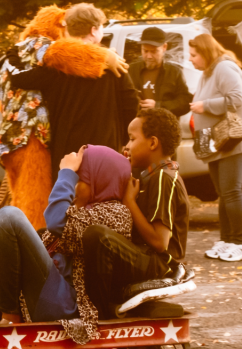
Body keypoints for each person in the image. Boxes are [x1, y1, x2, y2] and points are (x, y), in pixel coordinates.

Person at [0, 145, 133, 343]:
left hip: (63, 303)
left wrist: (66, 173)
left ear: (101, 181)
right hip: (40, 288)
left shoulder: (116, 214)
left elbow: (57, 221)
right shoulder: (80, 208)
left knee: (8, 216)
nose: (73, 187)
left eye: (80, 179)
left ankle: (10, 315)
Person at [0, 5, 127, 229]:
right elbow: (66, 52)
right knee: (36, 200)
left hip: (12, 136)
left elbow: (16, 88)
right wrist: (105, 56)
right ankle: (34, 248)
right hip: (30, 136)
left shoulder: (19, 52)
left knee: (22, 196)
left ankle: (15, 240)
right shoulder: (43, 44)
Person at [7, 3, 140, 180]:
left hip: (66, 158)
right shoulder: (113, 65)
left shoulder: (56, 66)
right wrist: (122, 141)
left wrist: (12, 52)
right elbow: (131, 105)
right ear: (93, 30)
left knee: (67, 205)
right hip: (106, 155)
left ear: (68, 29)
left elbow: (20, 79)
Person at [82, 108, 194, 317]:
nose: (127, 146)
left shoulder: (163, 178)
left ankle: (99, 310)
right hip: (144, 257)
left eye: (132, 139)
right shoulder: (149, 176)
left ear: (152, 143)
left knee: (98, 237)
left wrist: (129, 202)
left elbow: (160, 242)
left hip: (159, 264)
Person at [188, 34, 242, 262]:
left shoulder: (224, 67)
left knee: (231, 191)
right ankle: (227, 240)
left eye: (194, 55)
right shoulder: (208, 72)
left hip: (231, 139)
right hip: (216, 142)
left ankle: (240, 243)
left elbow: (236, 99)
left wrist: (205, 105)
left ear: (206, 52)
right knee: (223, 193)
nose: (191, 59)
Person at [129, 27, 192, 117]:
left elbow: (185, 102)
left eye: (154, 51)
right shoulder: (131, 70)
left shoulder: (174, 72)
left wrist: (158, 106)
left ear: (164, 47)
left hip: (164, 128)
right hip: (137, 127)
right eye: (145, 51)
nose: (149, 56)